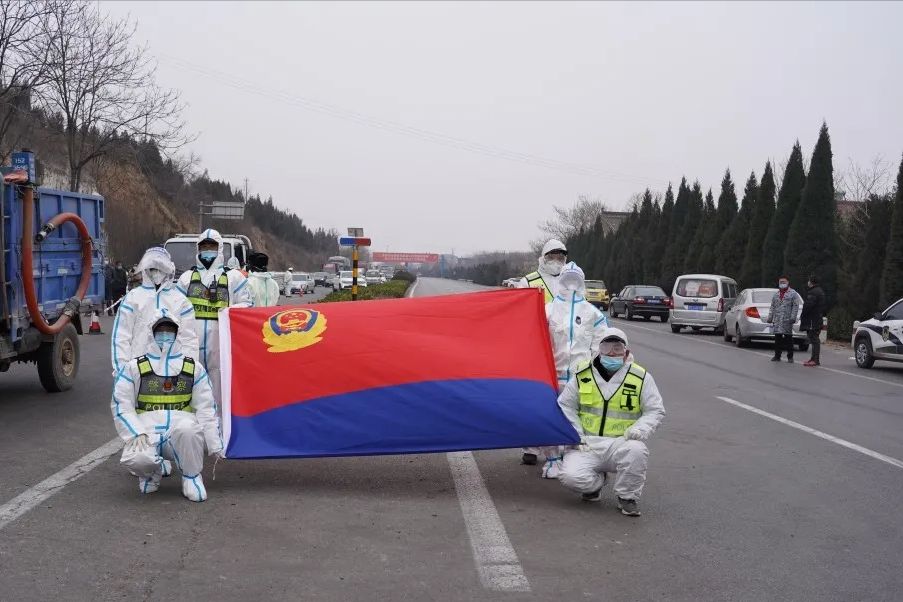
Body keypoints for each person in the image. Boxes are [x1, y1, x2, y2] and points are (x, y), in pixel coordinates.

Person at [112, 312, 224, 502]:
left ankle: (191, 477)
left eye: (170, 331)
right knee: (137, 459)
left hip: (180, 435)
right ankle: (150, 472)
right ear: (151, 334)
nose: (165, 335)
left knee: (190, 430)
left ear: (178, 334)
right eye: (160, 331)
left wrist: (214, 443)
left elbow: (206, 407)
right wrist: (136, 432)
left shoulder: (192, 368)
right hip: (147, 433)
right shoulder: (134, 367)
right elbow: (121, 403)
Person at [556, 328, 665, 517]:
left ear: (627, 353)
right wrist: (576, 434)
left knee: (637, 451)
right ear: (599, 350)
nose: (612, 353)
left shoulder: (640, 377)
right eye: (606, 348)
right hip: (587, 444)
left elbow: (655, 410)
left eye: (617, 348)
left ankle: (627, 497)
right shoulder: (583, 374)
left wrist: (640, 429)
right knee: (570, 477)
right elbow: (566, 405)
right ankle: (595, 485)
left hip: (621, 443)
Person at [540, 265, 610, 479]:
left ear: (582, 282)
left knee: (581, 419)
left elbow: (601, 347)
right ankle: (552, 458)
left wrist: (600, 375)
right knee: (551, 418)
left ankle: (574, 457)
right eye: (567, 279)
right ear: (560, 282)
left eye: (575, 280)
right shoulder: (547, 310)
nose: (571, 284)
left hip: (584, 379)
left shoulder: (593, 313)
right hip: (553, 377)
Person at [176, 229, 253, 408]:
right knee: (191, 384)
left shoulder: (233, 278)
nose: (207, 250)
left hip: (220, 341)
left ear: (219, 249)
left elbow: (247, 304)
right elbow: (175, 309)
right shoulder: (186, 279)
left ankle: (219, 429)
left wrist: (228, 311)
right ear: (198, 249)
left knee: (220, 387)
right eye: (204, 246)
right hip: (191, 342)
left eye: (212, 246)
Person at [516, 238, 577, 465]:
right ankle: (530, 448)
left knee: (563, 399)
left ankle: (561, 447)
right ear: (543, 258)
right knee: (533, 397)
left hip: (562, 349)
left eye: (561, 257)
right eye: (552, 256)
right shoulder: (529, 281)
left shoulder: (571, 280)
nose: (557, 261)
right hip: (535, 347)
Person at [112, 247, 199, 376]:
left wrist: (187, 373)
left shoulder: (180, 301)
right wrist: (123, 371)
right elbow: (121, 337)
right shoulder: (133, 299)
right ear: (146, 270)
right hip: (139, 371)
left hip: (174, 372)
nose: (157, 273)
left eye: (161, 268)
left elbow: (189, 339)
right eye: (153, 268)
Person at [516, 239, 573, 303]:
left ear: (565, 260)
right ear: (543, 259)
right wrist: (530, 295)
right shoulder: (528, 282)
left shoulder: (571, 282)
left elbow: (581, 308)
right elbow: (518, 307)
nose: (555, 262)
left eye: (560, 258)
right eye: (550, 258)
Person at [766, 276, 802, 363]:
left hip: (787, 319)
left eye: (783, 282)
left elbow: (795, 306)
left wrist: (793, 317)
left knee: (788, 338)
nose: (782, 284)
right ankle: (777, 356)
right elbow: (772, 307)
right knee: (777, 338)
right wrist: (770, 317)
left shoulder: (793, 294)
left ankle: (790, 357)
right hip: (778, 320)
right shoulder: (776, 294)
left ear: (788, 282)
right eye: (780, 282)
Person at [800, 274, 827, 367]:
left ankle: (815, 360)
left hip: (812, 320)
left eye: (809, 280)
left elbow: (808, 306)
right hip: (817, 317)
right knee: (813, 339)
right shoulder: (819, 291)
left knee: (814, 340)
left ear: (811, 282)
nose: (808, 282)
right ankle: (813, 358)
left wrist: (803, 315)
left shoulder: (813, 292)